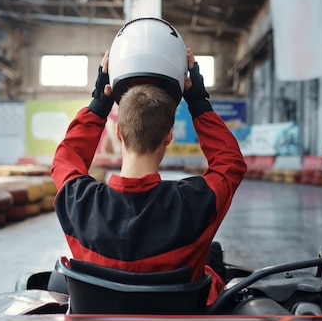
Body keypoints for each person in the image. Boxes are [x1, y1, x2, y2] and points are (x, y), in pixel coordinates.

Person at [50, 46, 246, 306]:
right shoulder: (196, 203)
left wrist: (97, 106)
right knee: (213, 258)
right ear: (168, 136)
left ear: (118, 134)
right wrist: (199, 103)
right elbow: (229, 162)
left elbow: (65, 158)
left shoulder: (79, 202)